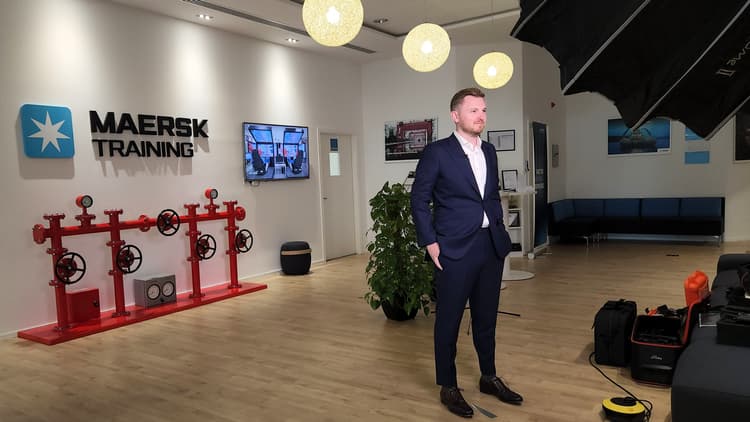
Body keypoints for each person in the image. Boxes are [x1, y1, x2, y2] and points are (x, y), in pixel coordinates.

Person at [410, 87, 523, 418]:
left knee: (486, 319)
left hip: (490, 246)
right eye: (473, 110)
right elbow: (419, 199)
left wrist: (499, 227)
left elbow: (490, 195)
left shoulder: (489, 150)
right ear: (455, 115)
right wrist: (430, 242)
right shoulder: (437, 152)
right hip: (453, 249)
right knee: (448, 320)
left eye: (484, 110)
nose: (481, 116)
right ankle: (448, 385)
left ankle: (489, 377)